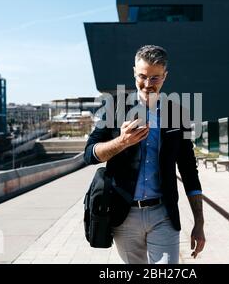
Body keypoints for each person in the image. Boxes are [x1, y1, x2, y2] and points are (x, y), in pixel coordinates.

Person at [84, 45, 205, 264]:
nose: (148, 84)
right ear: (134, 72)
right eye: (142, 76)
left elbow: (188, 170)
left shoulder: (178, 114)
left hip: (163, 214)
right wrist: (122, 141)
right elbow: (89, 155)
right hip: (124, 215)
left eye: (155, 78)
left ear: (165, 77)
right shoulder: (114, 109)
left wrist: (199, 222)